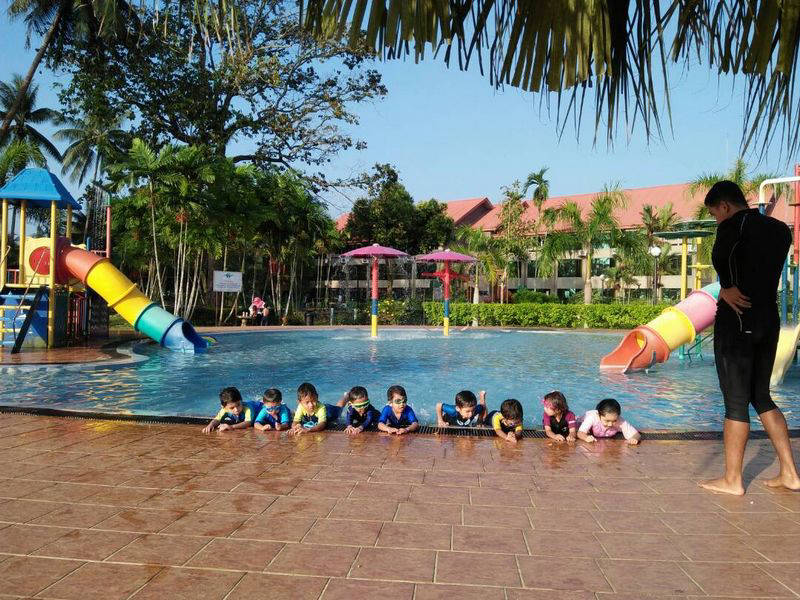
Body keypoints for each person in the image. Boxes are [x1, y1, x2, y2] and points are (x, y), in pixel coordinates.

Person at [700, 180, 800, 495]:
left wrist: (726, 286)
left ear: (725, 206)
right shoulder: (780, 230)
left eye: (715, 213)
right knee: (762, 396)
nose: (717, 219)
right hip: (768, 319)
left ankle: (733, 480)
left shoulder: (732, 226)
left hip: (738, 319)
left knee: (735, 403)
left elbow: (722, 257)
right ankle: (790, 473)